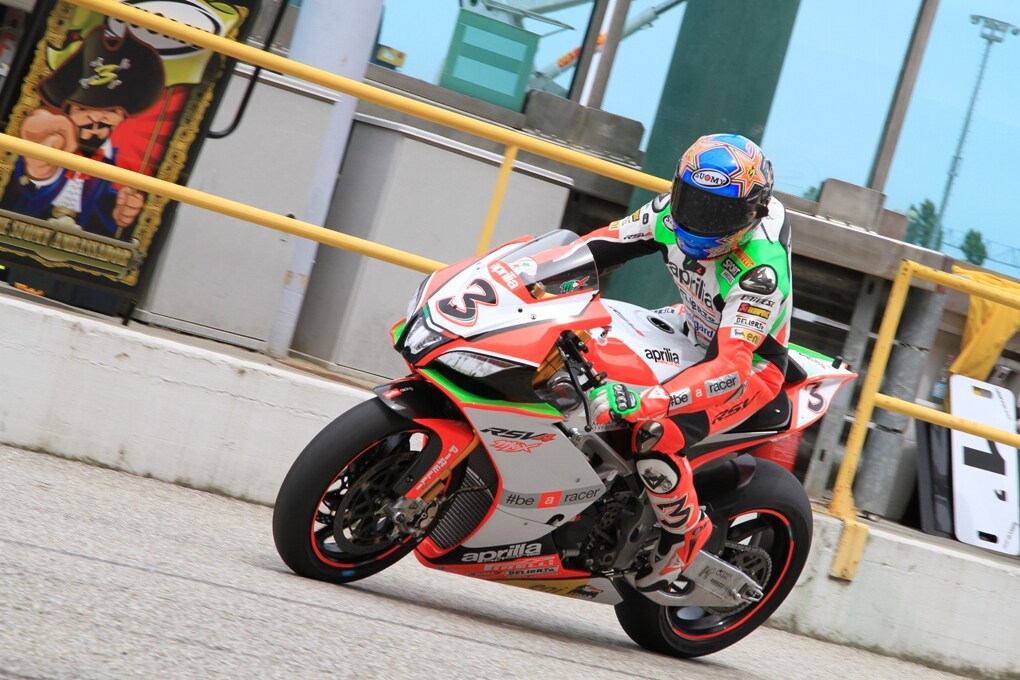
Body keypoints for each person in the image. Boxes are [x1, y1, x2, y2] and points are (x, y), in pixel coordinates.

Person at [581, 132, 792, 592]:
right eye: (693, 203)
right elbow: (592, 249)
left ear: (752, 213)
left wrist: (651, 400)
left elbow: (731, 367)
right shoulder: (667, 213)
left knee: (654, 433)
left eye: (718, 213)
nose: (699, 220)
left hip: (747, 366)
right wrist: (528, 276)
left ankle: (686, 533)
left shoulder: (761, 271)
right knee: (581, 344)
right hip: (688, 325)